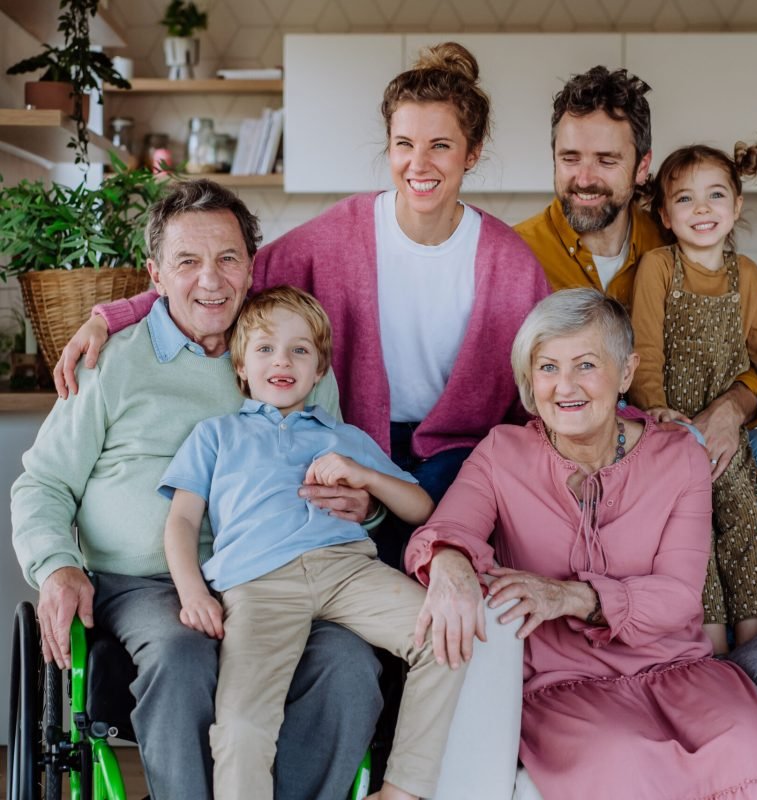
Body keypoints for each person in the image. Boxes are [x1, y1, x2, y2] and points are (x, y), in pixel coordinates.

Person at [53, 42, 550, 798]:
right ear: (386, 148)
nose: (420, 163)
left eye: (441, 144)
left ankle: (402, 785)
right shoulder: (335, 240)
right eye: (404, 144)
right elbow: (212, 280)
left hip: (451, 462)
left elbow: (552, 374)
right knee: (325, 663)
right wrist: (110, 314)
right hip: (341, 479)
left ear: (473, 152)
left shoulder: (510, 263)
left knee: (418, 637)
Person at [10, 180, 385, 800]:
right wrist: (55, 566)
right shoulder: (112, 362)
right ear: (156, 275)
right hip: (147, 585)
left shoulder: (290, 354)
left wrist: (362, 507)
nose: (210, 279)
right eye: (188, 261)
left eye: (228, 258)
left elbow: (345, 472)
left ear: (251, 268)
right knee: (183, 655)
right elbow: (43, 482)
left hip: (282, 575)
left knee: (349, 665)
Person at [406, 288, 757, 800]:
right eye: (546, 367)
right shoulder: (502, 453)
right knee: (621, 764)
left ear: (627, 372)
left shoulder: (679, 456)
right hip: (564, 685)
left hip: (678, 670)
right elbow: (444, 533)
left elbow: (679, 595)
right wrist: (451, 563)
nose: (563, 386)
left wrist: (569, 596)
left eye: (585, 365)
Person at [513, 65, 757, 711]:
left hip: (697, 436)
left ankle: (748, 634)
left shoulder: (676, 239)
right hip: (600, 468)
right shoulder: (517, 252)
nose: (584, 176)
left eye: (605, 159)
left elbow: (746, 351)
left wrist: (733, 407)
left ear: (642, 167)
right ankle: (699, 615)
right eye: (569, 157)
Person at [162, 285, 464, 800]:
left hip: (347, 571)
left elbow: (421, 509)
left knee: (442, 637)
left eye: (300, 350)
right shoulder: (215, 435)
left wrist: (363, 475)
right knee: (241, 724)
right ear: (241, 366)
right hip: (259, 585)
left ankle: (401, 791)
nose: (282, 361)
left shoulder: (344, 436)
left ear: (320, 369)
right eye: (264, 349)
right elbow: (182, 522)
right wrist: (192, 591)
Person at [630, 142, 757, 654]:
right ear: (664, 213)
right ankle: (711, 650)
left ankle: (749, 645)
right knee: (694, 536)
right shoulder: (659, 268)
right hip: (673, 438)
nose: (702, 210)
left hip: (732, 443)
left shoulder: (746, 275)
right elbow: (644, 348)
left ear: (737, 206)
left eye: (715, 195)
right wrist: (655, 406)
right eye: (685, 199)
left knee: (743, 524)